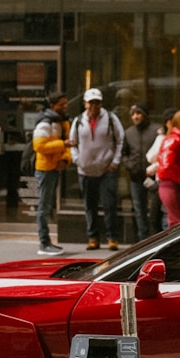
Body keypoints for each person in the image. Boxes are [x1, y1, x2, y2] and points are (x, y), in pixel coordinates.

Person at [70, 87, 125, 251]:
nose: (94, 106)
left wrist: (115, 162)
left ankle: (112, 238)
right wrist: (77, 159)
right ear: (85, 103)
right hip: (85, 170)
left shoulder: (110, 118)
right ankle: (93, 237)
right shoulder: (78, 120)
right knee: (89, 205)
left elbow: (120, 140)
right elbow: (72, 142)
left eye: (97, 102)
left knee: (109, 205)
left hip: (106, 169)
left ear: (101, 103)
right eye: (91, 102)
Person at [32, 91, 71, 256]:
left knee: (47, 206)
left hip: (54, 167)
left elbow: (66, 146)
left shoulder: (61, 121)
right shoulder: (46, 122)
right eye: (61, 104)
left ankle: (47, 242)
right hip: (45, 169)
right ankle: (44, 243)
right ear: (53, 105)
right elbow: (39, 146)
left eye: (65, 103)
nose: (65, 106)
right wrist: (62, 144)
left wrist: (65, 160)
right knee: (44, 207)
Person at [122, 103, 161, 241]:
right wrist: (129, 165)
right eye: (133, 114)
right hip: (136, 177)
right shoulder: (128, 132)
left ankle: (156, 238)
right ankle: (143, 239)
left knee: (155, 209)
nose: (135, 116)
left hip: (155, 177)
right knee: (140, 210)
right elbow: (124, 154)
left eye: (138, 113)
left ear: (145, 114)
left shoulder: (156, 130)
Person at [156, 109, 180, 226]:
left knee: (175, 221)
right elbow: (168, 166)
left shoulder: (171, 138)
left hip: (170, 185)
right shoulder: (176, 139)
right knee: (178, 223)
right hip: (172, 185)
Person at [146, 107, 176, 229]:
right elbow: (150, 156)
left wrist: (154, 166)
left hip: (171, 181)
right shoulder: (161, 137)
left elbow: (167, 162)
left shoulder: (175, 138)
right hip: (160, 181)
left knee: (167, 214)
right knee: (155, 215)